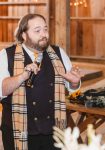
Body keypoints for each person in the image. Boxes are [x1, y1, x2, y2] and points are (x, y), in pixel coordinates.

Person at [0, 14, 82, 150]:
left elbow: (73, 89)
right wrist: (22, 76)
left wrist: (74, 83)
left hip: (54, 132)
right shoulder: (6, 55)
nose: (44, 34)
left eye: (45, 29)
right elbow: (2, 90)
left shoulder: (59, 53)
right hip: (17, 131)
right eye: (37, 31)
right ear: (24, 35)